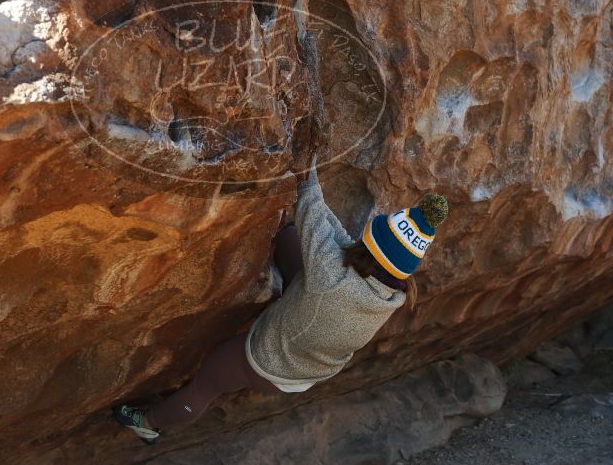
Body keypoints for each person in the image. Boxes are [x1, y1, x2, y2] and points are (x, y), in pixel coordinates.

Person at [113, 157, 449, 444]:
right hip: (308, 363)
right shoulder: (391, 294)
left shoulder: (331, 276)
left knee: (206, 385)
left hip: (267, 361)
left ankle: (147, 425)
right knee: (290, 240)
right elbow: (339, 242)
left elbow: (311, 207)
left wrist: (308, 162)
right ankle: (287, 297)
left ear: (372, 248)